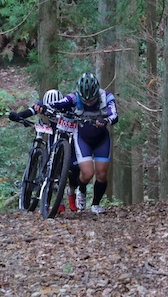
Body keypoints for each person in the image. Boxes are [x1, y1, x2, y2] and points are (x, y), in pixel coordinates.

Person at [37, 72, 117, 214]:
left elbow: (114, 115)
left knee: (102, 174)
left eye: (91, 100)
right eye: (85, 101)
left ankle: (95, 204)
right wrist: (42, 105)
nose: (88, 103)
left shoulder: (107, 97)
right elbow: (57, 104)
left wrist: (106, 120)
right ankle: (81, 188)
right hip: (82, 139)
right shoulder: (73, 98)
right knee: (87, 173)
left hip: (101, 139)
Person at [9, 89, 81, 212]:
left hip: (69, 136)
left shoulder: (67, 105)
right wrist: (18, 116)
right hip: (54, 133)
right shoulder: (42, 105)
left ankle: (72, 192)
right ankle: (59, 202)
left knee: (74, 168)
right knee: (51, 166)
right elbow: (30, 111)